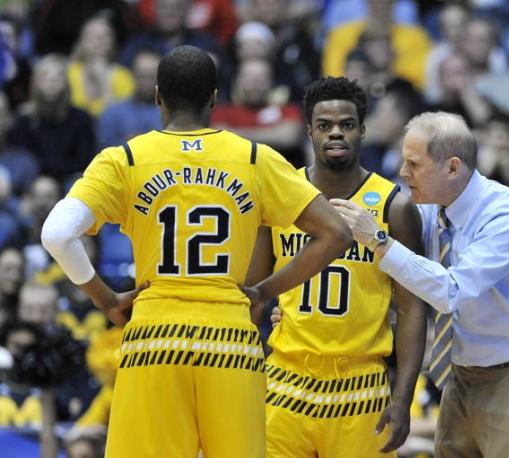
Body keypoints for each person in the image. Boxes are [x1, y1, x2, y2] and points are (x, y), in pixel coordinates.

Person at [40, 46, 352, 458]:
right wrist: (262, 290)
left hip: (154, 339)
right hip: (230, 341)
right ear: (215, 99)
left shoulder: (125, 159)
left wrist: (106, 299)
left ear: (156, 96)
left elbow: (58, 235)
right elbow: (336, 233)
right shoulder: (255, 158)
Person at [331, 111, 509, 458]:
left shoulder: (505, 215)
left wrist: (380, 241)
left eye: (413, 163)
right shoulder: (428, 209)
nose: (402, 173)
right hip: (461, 375)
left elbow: (450, 291)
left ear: (452, 168)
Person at [246, 76, 426, 457]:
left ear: (362, 130)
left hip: (360, 385)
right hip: (286, 381)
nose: (336, 134)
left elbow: (412, 308)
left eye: (346, 125)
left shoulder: (394, 206)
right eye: (324, 126)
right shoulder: (278, 197)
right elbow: (251, 296)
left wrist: (404, 395)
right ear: (309, 131)